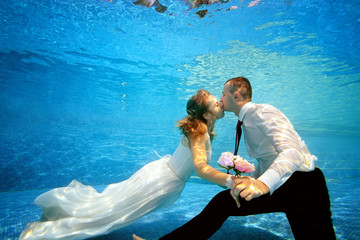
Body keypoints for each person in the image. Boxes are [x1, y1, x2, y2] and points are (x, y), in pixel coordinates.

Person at [19, 89, 242, 240]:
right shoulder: (200, 132)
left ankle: (59, 216)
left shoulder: (199, 128)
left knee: (111, 204)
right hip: (162, 182)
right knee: (113, 215)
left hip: (160, 172)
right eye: (216, 103)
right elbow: (200, 168)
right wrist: (229, 180)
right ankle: (46, 232)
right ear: (206, 113)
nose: (221, 104)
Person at [134, 76, 336, 240]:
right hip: (285, 185)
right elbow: (268, 160)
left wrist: (262, 185)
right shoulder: (245, 121)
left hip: (304, 186)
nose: (220, 99)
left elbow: (292, 152)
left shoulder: (262, 112)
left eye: (223, 94)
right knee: (223, 203)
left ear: (236, 95)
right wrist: (250, 180)